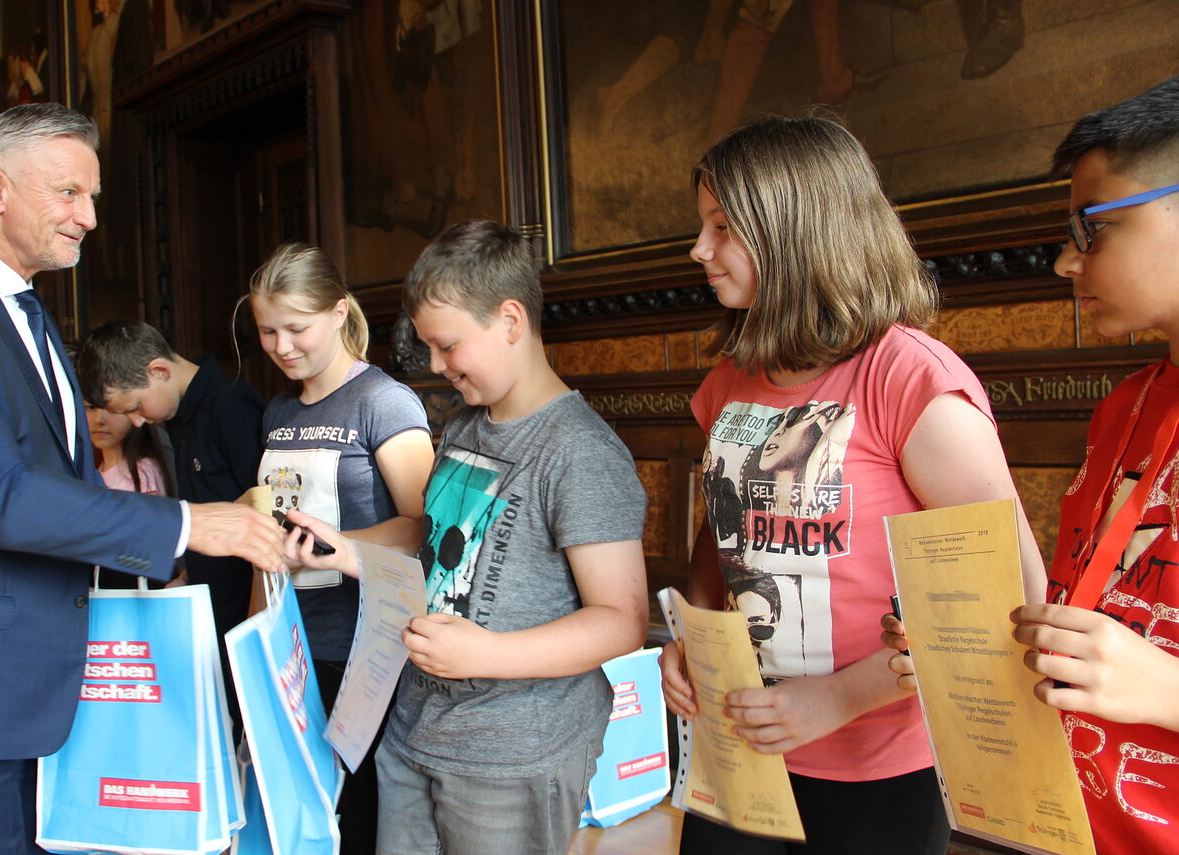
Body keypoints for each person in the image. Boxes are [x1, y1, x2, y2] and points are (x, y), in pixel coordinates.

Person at [0, 103, 286, 855]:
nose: (89, 218)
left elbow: (65, 480)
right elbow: (3, 497)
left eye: (93, 196)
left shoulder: (25, 308)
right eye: (69, 194)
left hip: (32, 664)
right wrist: (188, 522)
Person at [658, 115, 1045, 855]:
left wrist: (841, 696)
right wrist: (694, 637)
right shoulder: (726, 383)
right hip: (739, 733)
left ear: (795, 227)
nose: (699, 249)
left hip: (880, 762)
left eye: (722, 226)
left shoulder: (911, 379)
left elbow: (1008, 594)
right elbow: (725, 528)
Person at [285, 219, 649, 855]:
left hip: (514, 749)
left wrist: (485, 656)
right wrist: (346, 551)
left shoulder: (581, 453)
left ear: (510, 320)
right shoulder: (461, 428)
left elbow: (622, 621)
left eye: (447, 345)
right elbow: (434, 539)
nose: (434, 364)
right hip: (415, 724)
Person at [884, 76, 1179, 854]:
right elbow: (1094, 607)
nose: (1063, 262)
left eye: (1092, 229)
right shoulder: (1126, 410)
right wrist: (964, 646)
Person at [244, 241, 435, 852]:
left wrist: (336, 546)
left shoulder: (384, 402)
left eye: (296, 328)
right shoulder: (277, 409)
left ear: (338, 312)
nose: (281, 346)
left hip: (366, 654)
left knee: (359, 825)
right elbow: (270, 535)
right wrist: (258, 629)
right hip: (294, 645)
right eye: (268, 331)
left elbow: (424, 528)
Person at [75, 320, 266, 653]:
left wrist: (257, 616)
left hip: (246, 616)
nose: (136, 422)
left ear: (159, 371)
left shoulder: (231, 406)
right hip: (207, 607)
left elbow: (265, 512)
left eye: (135, 407)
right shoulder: (177, 416)